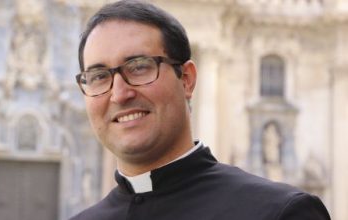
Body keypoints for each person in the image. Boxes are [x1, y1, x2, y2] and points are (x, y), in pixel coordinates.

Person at [70, 1, 331, 219]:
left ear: (186, 79)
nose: (119, 94)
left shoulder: (282, 213)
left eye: (139, 67)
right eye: (99, 76)